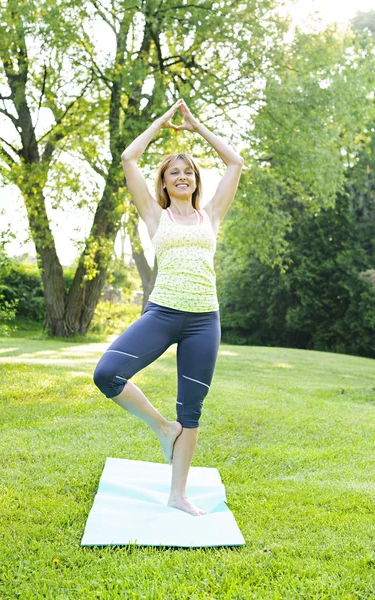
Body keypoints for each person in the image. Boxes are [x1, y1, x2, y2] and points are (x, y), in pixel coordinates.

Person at [93, 98, 244, 517]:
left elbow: (235, 163)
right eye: (173, 172)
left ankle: (178, 494)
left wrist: (196, 128)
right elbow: (128, 156)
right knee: (107, 373)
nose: (181, 176)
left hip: (204, 321)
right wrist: (161, 124)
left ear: (196, 181)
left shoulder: (211, 214)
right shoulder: (155, 216)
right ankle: (162, 428)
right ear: (163, 182)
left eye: (188, 172)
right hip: (161, 313)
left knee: (191, 409)